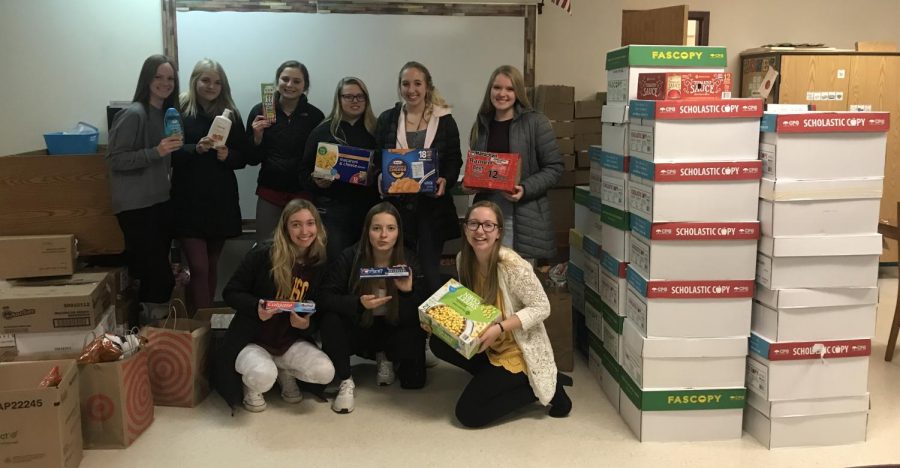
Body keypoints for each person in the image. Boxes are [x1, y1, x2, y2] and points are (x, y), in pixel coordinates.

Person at [428, 201, 572, 428]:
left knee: (468, 415)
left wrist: (500, 328)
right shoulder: (462, 259)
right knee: (439, 341)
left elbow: (542, 307)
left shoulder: (512, 264)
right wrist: (437, 320)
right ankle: (499, 379)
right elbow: (471, 307)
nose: (480, 231)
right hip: (488, 341)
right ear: (465, 229)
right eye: (474, 224)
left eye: (488, 225)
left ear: (498, 233)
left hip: (516, 348)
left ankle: (538, 386)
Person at [215, 199, 335, 413]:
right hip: (252, 338)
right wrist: (256, 307)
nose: (304, 231)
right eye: (296, 224)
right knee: (262, 377)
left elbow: (321, 307)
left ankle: (283, 368)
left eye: (310, 223)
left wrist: (305, 324)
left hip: (289, 339)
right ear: (285, 227)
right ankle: (251, 383)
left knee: (325, 372)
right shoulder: (263, 253)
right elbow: (231, 292)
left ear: (318, 226)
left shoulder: (320, 261)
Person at [318, 202, 427, 413]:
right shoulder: (350, 256)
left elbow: (425, 309)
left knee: (415, 382)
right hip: (360, 327)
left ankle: (386, 357)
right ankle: (345, 379)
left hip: (393, 327)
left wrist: (408, 291)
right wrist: (357, 303)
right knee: (330, 318)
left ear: (398, 233)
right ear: (367, 231)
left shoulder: (408, 259)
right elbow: (324, 298)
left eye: (390, 228)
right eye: (376, 228)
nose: (383, 235)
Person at [374, 61, 462, 294]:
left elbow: (454, 160)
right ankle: (403, 326)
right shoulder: (387, 119)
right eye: (405, 84)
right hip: (396, 209)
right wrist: (380, 180)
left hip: (432, 208)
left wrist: (446, 180)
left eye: (417, 83)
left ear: (428, 87)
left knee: (430, 274)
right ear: (399, 87)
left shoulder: (444, 120)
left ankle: (431, 327)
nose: (411, 90)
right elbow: (376, 159)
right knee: (398, 272)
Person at [106, 54, 181, 324]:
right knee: (159, 276)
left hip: (160, 203)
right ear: (147, 79)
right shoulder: (134, 113)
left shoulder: (167, 114)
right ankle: (151, 333)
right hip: (136, 207)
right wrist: (155, 152)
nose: (165, 83)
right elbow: (115, 160)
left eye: (170, 78)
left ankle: (150, 338)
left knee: (154, 276)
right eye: (158, 77)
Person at [171, 58, 246, 310]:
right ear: (194, 81)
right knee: (199, 267)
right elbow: (168, 152)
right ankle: (200, 323)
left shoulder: (231, 114)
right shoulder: (178, 110)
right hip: (187, 199)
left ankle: (203, 323)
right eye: (205, 80)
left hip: (220, 200)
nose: (211, 86)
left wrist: (229, 156)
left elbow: (243, 157)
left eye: (217, 82)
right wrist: (195, 148)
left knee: (211, 265)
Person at [466, 65, 563, 260]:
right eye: (497, 88)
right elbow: (480, 167)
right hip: (486, 215)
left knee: (516, 280)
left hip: (521, 216)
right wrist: (471, 183)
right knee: (488, 278)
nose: (502, 94)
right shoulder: (482, 124)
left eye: (509, 89)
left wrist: (525, 189)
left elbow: (555, 167)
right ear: (490, 91)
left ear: (518, 92)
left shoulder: (536, 122)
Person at [300, 77, 380, 261]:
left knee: (368, 265)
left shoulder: (378, 130)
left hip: (369, 211)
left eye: (360, 97)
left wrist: (375, 174)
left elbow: (388, 169)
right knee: (336, 266)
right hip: (333, 212)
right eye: (348, 96)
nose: (355, 101)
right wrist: (317, 182)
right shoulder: (322, 131)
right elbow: (303, 172)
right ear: (339, 99)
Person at [246, 60, 325, 242]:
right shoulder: (260, 111)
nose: (290, 85)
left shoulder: (315, 116)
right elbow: (250, 159)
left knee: (301, 247)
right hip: (269, 191)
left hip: (302, 192)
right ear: (277, 81)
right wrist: (257, 137)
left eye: (297, 81)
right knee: (266, 247)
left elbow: (319, 157)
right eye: (285, 79)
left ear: (305, 86)